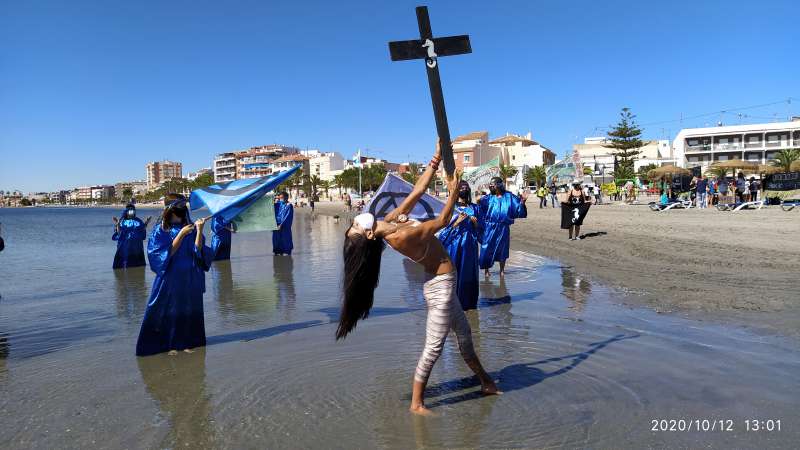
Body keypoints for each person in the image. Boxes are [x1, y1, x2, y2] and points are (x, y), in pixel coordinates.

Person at [338, 140, 499, 416]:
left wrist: (435, 159)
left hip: (445, 284)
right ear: (367, 235)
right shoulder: (400, 236)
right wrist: (451, 192)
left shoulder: (390, 220)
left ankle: (485, 382)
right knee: (434, 347)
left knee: (465, 336)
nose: (355, 219)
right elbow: (443, 220)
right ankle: (417, 404)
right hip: (440, 289)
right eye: (355, 226)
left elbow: (418, 190)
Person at [136, 194, 212, 356]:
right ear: (170, 210)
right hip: (170, 276)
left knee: (188, 308)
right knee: (168, 308)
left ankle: (187, 342)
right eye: (179, 209)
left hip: (189, 275)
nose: (182, 212)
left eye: (183, 209)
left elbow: (197, 250)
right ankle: (167, 344)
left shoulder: (189, 227)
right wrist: (181, 234)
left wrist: (199, 230)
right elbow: (164, 253)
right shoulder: (161, 230)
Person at [437, 180, 481, 310]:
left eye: (466, 187)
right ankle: (451, 304)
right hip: (453, 247)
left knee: (469, 274)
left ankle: (468, 304)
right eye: (461, 187)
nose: (464, 189)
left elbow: (482, 232)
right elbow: (441, 233)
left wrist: (476, 224)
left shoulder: (475, 208)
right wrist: (456, 222)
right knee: (453, 274)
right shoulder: (450, 209)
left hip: (470, 247)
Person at [477, 176, 528, 278]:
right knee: (486, 248)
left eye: (493, 185)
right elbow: (480, 210)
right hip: (489, 227)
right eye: (490, 185)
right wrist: (478, 200)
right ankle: (487, 271)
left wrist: (523, 202)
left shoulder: (509, 197)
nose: (491, 186)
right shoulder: (488, 198)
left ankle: (502, 270)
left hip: (503, 227)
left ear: (499, 185)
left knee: (503, 249)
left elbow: (518, 208)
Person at [112, 204, 151, 269]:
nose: (131, 212)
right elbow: (119, 233)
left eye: (133, 210)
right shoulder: (122, 221)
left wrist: (146, 222)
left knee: (138, 265)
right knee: (125, 264)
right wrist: (118, 224)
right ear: (126, 211)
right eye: (130, 210)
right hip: (125, 246)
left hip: (137, 246)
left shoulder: (138, 220)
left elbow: (142, 229)